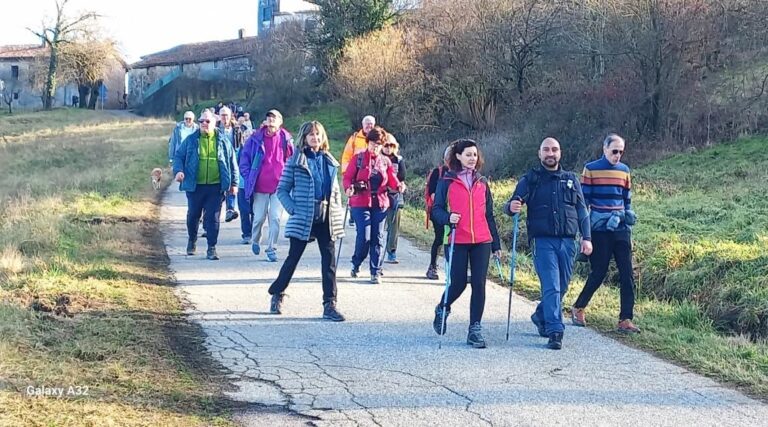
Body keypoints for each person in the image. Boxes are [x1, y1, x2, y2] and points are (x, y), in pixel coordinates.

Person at [505, 137, 593, 350]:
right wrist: (511, 207)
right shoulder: (530, 179)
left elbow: (582, 211)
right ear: (540, 153)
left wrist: (587, 237)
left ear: (560, 153)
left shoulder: (570, 179)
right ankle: (555, 331)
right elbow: (511, 204)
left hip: (568, 242)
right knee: (552, 285)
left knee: (562, 286)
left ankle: (540, 315)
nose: (550, 153)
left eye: (554, 149)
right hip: (542, 242)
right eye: (546, 150)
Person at [268, 121, 346, 321]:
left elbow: (335, 191)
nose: (315, 137)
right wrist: (294, 210)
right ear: (304, 137)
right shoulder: (295, 161)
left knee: (329, 262)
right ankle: (277, 293)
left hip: (326, 217)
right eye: (311, 134)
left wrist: (336, 211)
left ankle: (330, 304)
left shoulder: (329, 161)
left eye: (318, 134)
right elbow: (282, 190)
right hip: (304, 216)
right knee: (293, 258)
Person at [431, 139, 501, 349]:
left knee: (479, 283)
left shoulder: (482, 182)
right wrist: (448, 218)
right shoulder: (446, 181)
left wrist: (496, 245)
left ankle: (475, 329)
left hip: (482, 240)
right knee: (459, 283)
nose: (472, 158)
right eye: (468, 154)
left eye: (475, 155)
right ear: (458, 156)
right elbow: (436, 210)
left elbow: (489, 215)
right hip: (456, 239)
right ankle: (443, 308)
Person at [571, 134, 641, 333]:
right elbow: (584, 203)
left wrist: (627, 218)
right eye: (614, 151)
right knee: (599, 271)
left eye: (621, 152)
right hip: (600, 229)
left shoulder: (624, 170)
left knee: (627, 273)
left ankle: (625, 319)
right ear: (605, 149)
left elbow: (627, 199)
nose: (618, 155)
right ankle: (578, 307)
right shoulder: (591, 169)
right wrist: (584, 233)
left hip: (621, 227)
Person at [173, 110, 238, 260]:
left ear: (215, 123)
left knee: (213, 218)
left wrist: (234, 183)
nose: (204, 124)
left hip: (216, 186)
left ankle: (211, 247)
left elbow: (232, 162)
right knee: (193, 215)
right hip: (195, 186)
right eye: (201, 121)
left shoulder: (223, 141)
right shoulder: (191, 139)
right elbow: (178, 156)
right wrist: (179, 171)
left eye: (207, 121)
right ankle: (192, 240)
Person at [342, 128, 405, 284]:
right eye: (372, 143)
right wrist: (348, 188)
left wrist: (399, 186)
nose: (375, 146)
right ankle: (356, 262)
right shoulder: (358, 159)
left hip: (380, 203)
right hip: (360, 202)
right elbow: (347, 177)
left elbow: (392, 179)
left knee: (377, 237)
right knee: (364, 237)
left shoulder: (385, 161)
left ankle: (375, 271)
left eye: (378, 144)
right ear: (367, 142)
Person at [239, 109, 295, 262]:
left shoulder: (286, 139)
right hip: (260, 187)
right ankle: (256, 240)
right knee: (258, 218)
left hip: (279, 187)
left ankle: (271, 248)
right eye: (269, 117)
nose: (271, 120)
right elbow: (244, 160)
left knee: (275, 218)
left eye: (274, 118)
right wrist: (248, 177)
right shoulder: (255, 138)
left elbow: (292, 161)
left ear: (280, 122)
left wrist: (291, 179)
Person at [424, 145, 453, 280]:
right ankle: (432, 267)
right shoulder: (438, 172)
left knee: (453, 241)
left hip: (455, 212)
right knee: (440, 238)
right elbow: (433, 194)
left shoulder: (461, 174)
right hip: (439, 212)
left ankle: (451, 270)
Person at [341, 115, 377, 226]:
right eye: (367, 124)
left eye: (371, 124)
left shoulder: (378, 138)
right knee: (355, 193)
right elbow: (346, 155)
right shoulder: (355, 138)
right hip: (355, 169)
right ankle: (353, 216)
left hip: (371, 171)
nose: (369, 126)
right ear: (362, 125)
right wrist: (346, 172)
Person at [218, 106, 245, 224]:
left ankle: (230, 209)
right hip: (218, 160)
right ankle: (211, 215)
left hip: (233, 159)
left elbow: (241, 144)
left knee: (232, 184)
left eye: (226, 115)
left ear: (230, 116)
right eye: (222, 115)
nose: (224, 118)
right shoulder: (215, 129)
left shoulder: (237, 129)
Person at [382, 133, 406, 264]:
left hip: (394, 196)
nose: (388, 148)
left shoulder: (399, 160)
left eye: (391, 146)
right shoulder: (376, 158)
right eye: (386, 145)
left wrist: (401, 186)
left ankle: (391, 251)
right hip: (379, 196)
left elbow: (402, 177)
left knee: (394, 226)